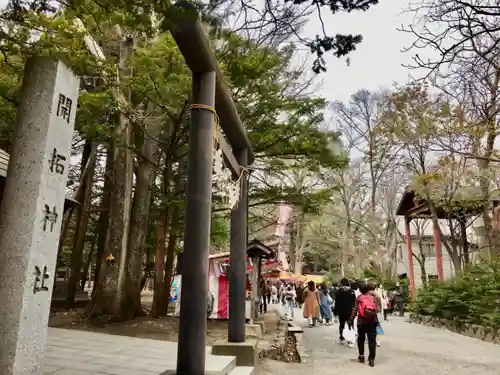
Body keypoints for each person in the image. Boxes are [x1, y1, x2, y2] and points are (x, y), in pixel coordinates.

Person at [349, 282, 379, 367]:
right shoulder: (373, 297)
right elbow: (377, 310)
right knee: (372, 341)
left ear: (360, 290)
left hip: (361, 322)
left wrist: (351, 320)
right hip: (372, 322)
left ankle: (361, 356)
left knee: (361, 339)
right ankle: (371, 359)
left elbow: (355, 310)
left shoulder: (359, 298)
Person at [335, 278, 356, 346]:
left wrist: (336, 312)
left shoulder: (338, 291)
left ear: (341, 283)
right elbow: (354, 303)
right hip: (349, 311)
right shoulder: (352, 292)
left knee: (342, 325)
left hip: (341, 311)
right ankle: (350, 340)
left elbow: (337, 302)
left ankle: (342, 338)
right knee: (350, 325)